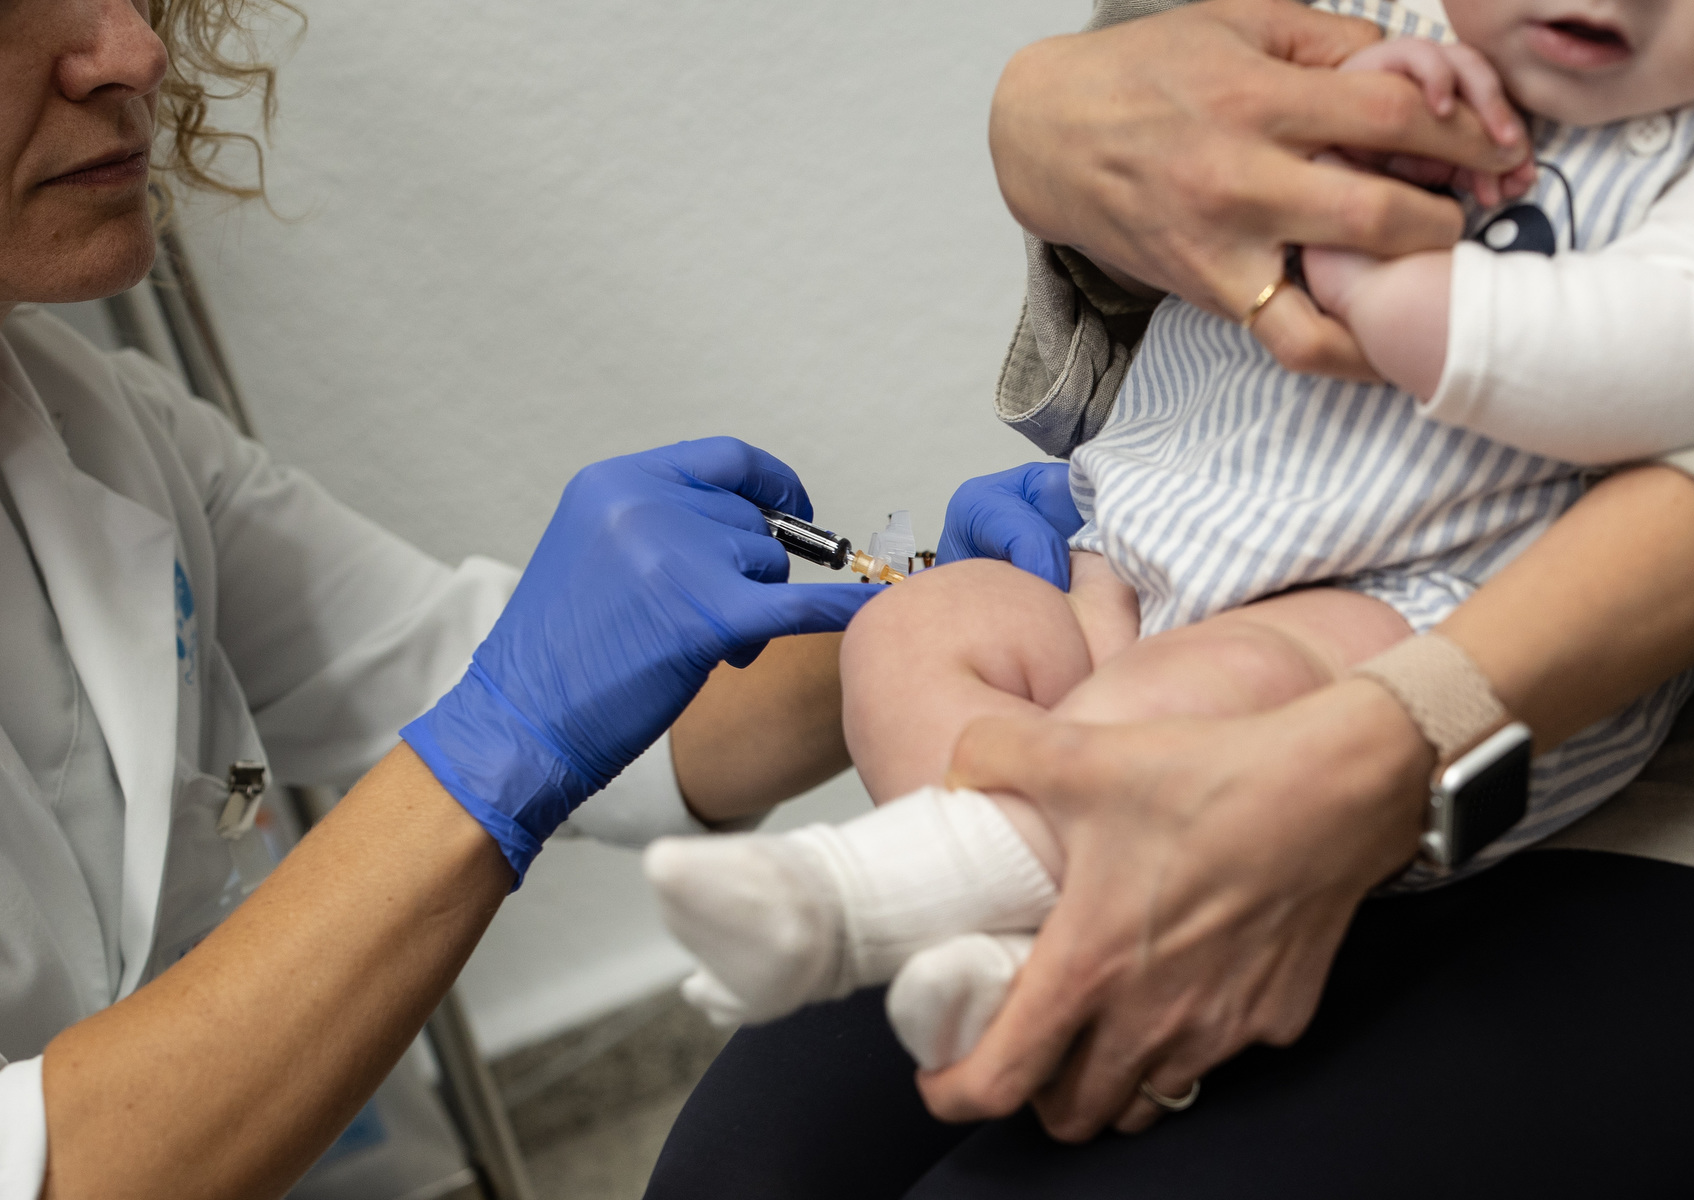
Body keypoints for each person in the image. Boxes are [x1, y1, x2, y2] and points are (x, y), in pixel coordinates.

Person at [642, 0, 1694, 1193]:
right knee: (918, 629)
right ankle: (990, 943)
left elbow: (1678, 358)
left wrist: (1390, 291)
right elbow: (1143, 144)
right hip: (1156, 538)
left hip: (1417, 601)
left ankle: (851, 900)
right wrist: (1063, 123)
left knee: (1152, 713)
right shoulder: (1371, 29)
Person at [0, 1, 1048, 1195]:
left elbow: (509, 678)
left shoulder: (95, 425)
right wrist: (506, 737)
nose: (133, 52)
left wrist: (939, 609)